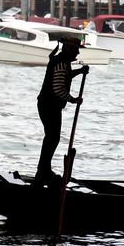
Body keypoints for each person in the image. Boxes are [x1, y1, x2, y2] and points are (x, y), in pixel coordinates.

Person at [34, 38, 89, 187]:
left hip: (48, 104)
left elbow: (65, 76)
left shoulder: (62, 63)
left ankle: (43, 170)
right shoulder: (61, 63)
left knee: (52, 138)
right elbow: (58, 89)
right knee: (52, 138)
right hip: (49, 105)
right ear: (69, 49)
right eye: (76, 49)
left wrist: (80, 71)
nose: (78, 52)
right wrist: (73, 100)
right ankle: (43, 171)